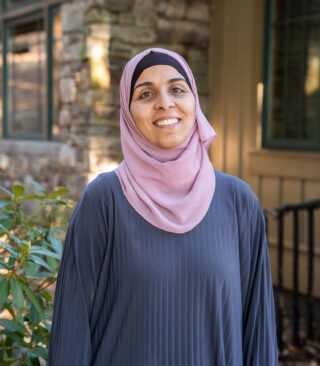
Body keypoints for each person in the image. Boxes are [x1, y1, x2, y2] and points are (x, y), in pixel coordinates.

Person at [48, 48, 278, 365]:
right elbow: (72, 331)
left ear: (194, 102)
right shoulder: (104, 201)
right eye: (146, 94)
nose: (165, 103)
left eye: (177, 89)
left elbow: (258, 329)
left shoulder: (238, 202)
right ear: (128, 113)